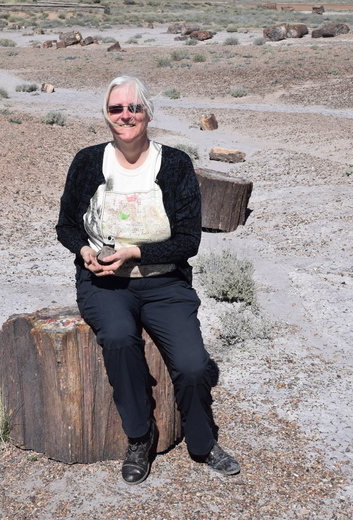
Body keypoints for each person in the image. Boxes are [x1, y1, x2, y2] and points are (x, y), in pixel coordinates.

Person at [56, 75, 240, 484]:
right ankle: (140, 436)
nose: (125, 116)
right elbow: (67, 226)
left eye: (134, 108)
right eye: (116, 108)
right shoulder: (88, 161)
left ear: (148, 113)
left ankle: (202, 442)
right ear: (106, 115)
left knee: (193, 365)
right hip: (105, 283)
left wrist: (136, 251)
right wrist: (84, 251)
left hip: (165, 283)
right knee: (120, 339)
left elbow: (189, 241)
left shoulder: (173, 163)